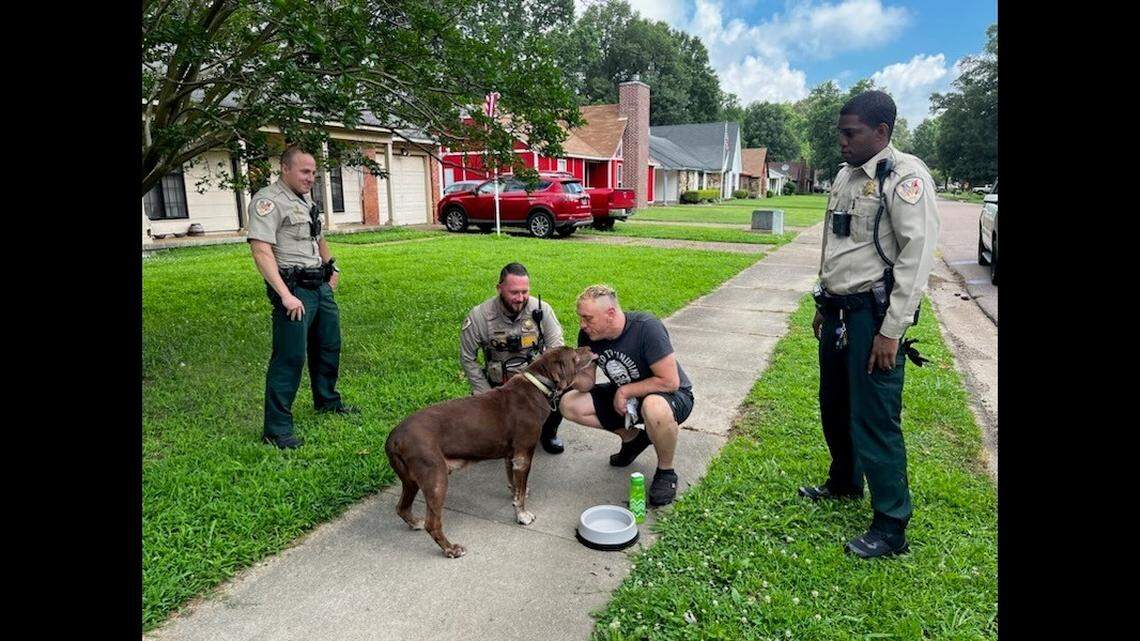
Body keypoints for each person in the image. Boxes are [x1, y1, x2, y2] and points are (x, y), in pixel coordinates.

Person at [802, 90, 940, 558]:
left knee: (876, 417)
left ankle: (891, 524)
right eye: (840, 132)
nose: (841, 142)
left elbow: (915, 261)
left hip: (874, 317)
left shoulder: (905, 178)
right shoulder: (845, 177)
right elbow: (837, 247)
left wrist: (891, 331)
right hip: (839, 310)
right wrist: (824, 301)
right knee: (835, 401)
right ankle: (843, 482)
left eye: (850, 133)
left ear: (881, 133)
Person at [247, 145, 359, 449]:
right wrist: (284, 295)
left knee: (328, 345)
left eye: (313, 172)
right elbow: (260, 250)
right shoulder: (268, 201)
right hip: (293, 289)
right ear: (285, 169)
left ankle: (327, 401)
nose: (312, 177)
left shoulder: (306, 198)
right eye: (305, 171)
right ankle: (277, 429)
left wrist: (331, 266)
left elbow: (317, 235)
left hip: (318, 285)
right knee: (290, 356)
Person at [558, 285, 695, 507]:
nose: (582, 324)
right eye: (580, 318)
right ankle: (633, 439)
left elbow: (670, 381)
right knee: (569, 403)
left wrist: (624, 391)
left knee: (653, 406)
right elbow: (587, 382)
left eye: (588, 318)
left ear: (610, 313)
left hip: (671, 396)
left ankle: (666, 471)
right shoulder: (588, 335)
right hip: (628, 399)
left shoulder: (646, 328)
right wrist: (564, 376)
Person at [460, 263, 567, 453]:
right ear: (499, 288)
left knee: (564, 394)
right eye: (514, 292)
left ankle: (548, 433)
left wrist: (551, 384)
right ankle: (500, 433)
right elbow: (468, 358)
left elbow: (557, 350)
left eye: (524, 292)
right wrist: (484, 393)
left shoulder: (542, 310)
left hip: (536, 383)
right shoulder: (479, 316)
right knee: (489, 430)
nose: (520, 298)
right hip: (499, 385)